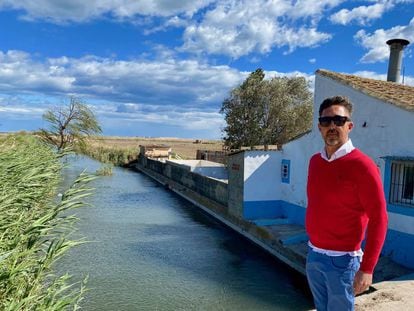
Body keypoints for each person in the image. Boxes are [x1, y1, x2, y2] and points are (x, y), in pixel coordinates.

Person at [305, 95, 388, 311]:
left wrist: (367, 268)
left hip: (342, 262)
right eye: (326, 121)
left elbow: (379, 219)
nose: (332, 126)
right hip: (314, 255)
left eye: (338, 121)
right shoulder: (315, 162)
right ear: (319, 127)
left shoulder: (363, 166)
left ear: (349, 126)